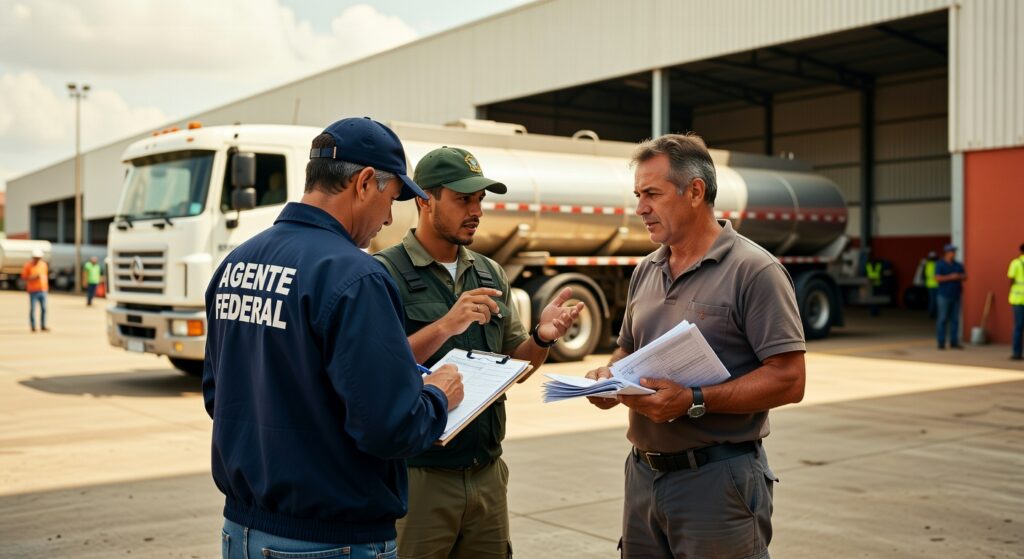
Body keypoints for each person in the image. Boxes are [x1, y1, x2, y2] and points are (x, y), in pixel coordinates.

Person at [202, 117, 466, 559]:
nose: (387, 219)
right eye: (392, 199)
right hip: (330, 542)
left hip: (242, 531)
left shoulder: (237, 264)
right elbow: (390, 427)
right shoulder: (355, 276)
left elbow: (220, 396)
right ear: (364, 182)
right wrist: (437, 396)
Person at [585, 133, 806, 558]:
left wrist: (694, 399)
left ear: (695, 192)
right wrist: (609, 379)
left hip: (718, 482)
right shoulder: (646, 270)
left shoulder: (755, 271)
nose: (640, 209)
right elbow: (626, 348)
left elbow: (789, 379)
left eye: (652, 194)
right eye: (637, 195)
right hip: (643, 478)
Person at [374, 146, 582, 559]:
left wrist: (542, 339)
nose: (477, 211)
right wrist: (445, 325)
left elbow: (516, 367)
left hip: (486, 474)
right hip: (419, 477)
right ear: (424, 199)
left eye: (480, 200)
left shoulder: (489, 273)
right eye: (463, 199)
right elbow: (376, 368)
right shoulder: (385, 274)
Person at [935, 243, 966, 350]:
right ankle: (941, 342)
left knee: (955, 320)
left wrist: (960, 276)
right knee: (942, 319)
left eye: (954, 252)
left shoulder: (958, 265)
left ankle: (954, 341)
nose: (953, 254)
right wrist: (951, 277)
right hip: (943, 295)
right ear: (947, 253)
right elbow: (937, 278)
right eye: (952, 252)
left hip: (956, 295)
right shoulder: (940, 264)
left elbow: (965, 276)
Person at [21, 248, 49, 332]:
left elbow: (45, 276)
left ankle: (43, 325)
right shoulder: (28, 265)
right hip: (33, 290)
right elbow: (24, 277)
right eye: (36, 258)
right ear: (33, 257)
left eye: (39, 258)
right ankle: (33, 326)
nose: (37, 259)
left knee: (44, 308)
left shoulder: (43, 265)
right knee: (33, 309)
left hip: (43, 290)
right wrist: (33, 277)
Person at [1008, 243, 1024, 360]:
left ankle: (1017, 353)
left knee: (1018, 327)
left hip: (1017, 299)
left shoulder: (1016, 263)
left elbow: (1011, 279)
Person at [924, 251, 939, 318]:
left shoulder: (926, 264)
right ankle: (934, 314)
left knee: (932, 300)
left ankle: (931, 314)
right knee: (935, 300)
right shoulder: (937, 264)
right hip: (937, 284)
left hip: (929, 285)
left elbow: (924, 275)